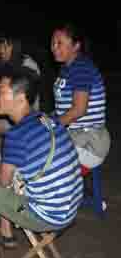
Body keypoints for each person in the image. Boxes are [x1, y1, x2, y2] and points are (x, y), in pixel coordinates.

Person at [0, 67, 82, 258]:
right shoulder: (45, 119)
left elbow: (4, 182)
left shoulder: (17, 134)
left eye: (0, 91)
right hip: (69, 207)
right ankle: (6, 233)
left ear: (20, 98)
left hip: (47, 216)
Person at [51, 23, 110, 171]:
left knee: (37, 149)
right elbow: (64, 108)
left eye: (59, 43)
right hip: (74, 135)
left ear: (76, 46)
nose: (54, 47)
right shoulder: (67, 68)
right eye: (53, 43)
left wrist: (52, 126)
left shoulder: (81, 68)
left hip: (89, 142)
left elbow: (79, 110)